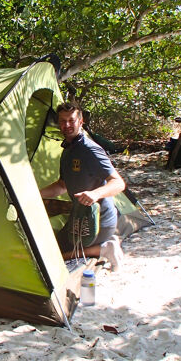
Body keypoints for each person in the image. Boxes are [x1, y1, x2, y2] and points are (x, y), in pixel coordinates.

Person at [40, 102, 126, 270]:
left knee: (55, 257)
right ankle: (102, 245)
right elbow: (62, 186)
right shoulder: (68, 150)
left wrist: (95, 194)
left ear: (81, 122)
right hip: (79, 217)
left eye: (71, 120)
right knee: (50, 247)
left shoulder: (89, 149)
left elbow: (118, 183)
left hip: (98, 221)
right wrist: (36, 194)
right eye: (63, 121)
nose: (67, 125)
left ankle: (103, 248)